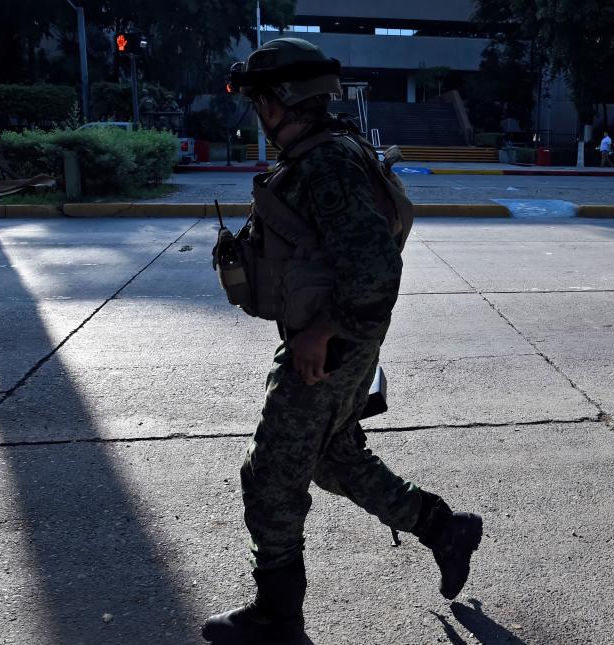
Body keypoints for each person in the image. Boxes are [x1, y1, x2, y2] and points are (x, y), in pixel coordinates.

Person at [202, 37, 483, 645]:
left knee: (273, 477)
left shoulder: (327, 162)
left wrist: (322, 335)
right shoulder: (325, 150)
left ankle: (278, 620)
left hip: (330, 344)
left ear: (283, 100)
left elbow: (376, 267)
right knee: (334, 459)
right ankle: (446, 529)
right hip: (338, 339)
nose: (257, 113)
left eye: (260, 100)